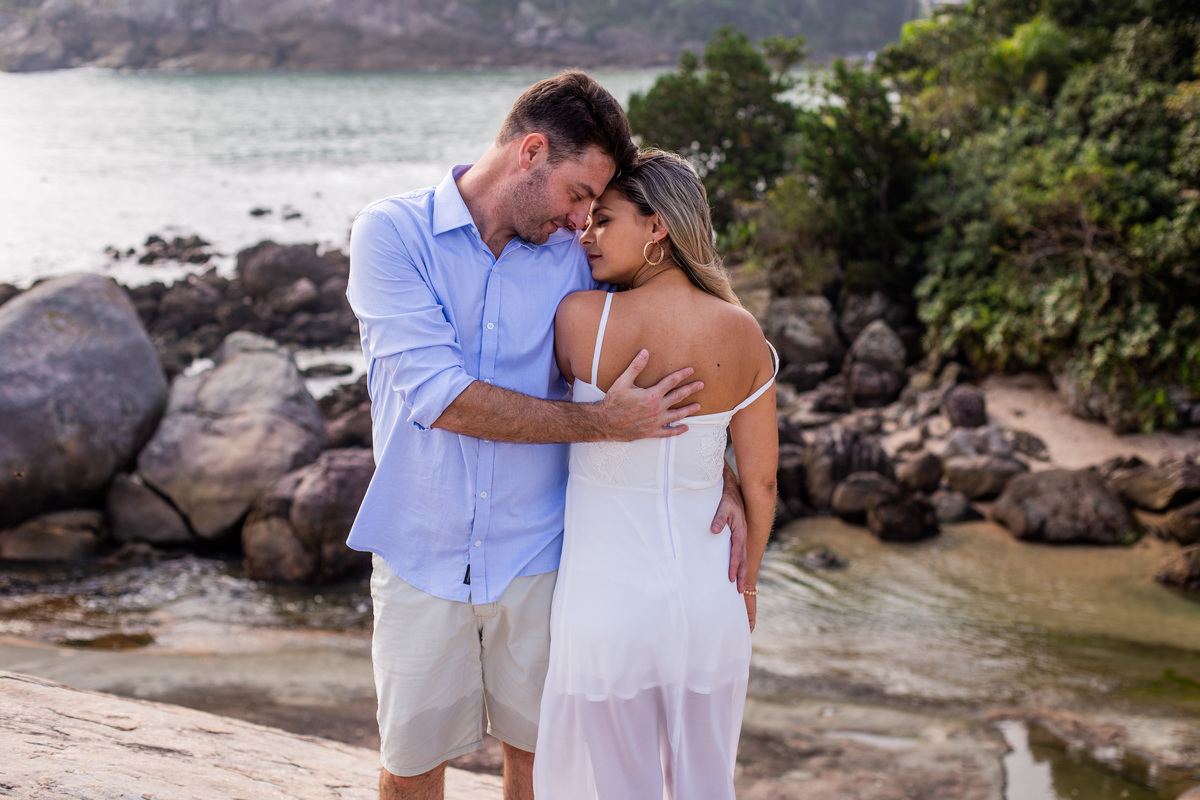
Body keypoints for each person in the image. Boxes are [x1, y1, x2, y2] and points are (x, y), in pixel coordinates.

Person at [345, 72, 748, 800]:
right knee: (410, 768)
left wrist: (720, 471)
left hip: (542, 554)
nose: (583, 222)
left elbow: (669, 346)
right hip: (420, 552)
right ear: (531, 152)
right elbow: (437, 396)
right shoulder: (392, 233)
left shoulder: (574, 256)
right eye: (579, 195)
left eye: (596, 208)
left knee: (542, 765)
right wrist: (600, 425)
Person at [533, 149, 779, 799]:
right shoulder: (744, 333)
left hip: (607, 607)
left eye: (604, 219)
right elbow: (762, 485)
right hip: (712, 602)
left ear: (657, 228)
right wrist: (748, 582)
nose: (586, 234)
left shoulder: (580, 320)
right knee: (705, 786)